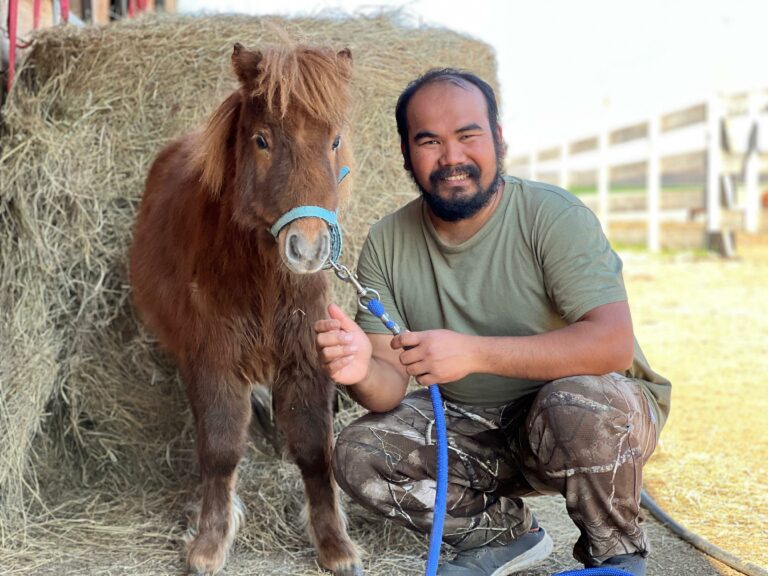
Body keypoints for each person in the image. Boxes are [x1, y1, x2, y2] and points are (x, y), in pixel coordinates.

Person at [314, 68, 671, 576]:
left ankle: (614, 555)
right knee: (358, 452)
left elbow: (612, 344)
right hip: (477, 427)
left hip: (589, 414)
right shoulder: (386, 242)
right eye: (429, 141)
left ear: (499, 140)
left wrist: (474, 352)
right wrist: (359, 370)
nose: (451, 157)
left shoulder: (552, 215)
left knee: (572, 405)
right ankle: (503, 537)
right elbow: (387, 385)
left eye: (468, 135)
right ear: (405, 154)